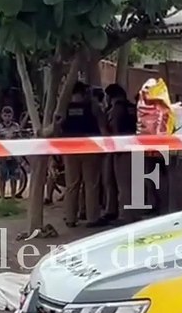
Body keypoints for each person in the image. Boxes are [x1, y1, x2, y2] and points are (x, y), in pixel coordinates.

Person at [59, 82, 104, 228]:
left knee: (72, 184)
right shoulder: (92, 106)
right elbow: (102, 124)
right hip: (90, 148)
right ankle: (92, 218)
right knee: (91, 184)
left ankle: (70, 218)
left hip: (70, 149)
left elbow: (59, 128)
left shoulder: (64, 108)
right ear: (84, 92)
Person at [103, 84, 137, 223]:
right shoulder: (132, 107)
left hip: (122, 150)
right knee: (133, 183)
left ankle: (125, 216)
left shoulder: (116, 110)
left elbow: (114, 130)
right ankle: (133, 213)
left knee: (123, 184)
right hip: (135, 146)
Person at [0, 106, 22, 198]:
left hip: (13, 154)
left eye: (9, 116)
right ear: (2, 116)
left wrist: (19, 156)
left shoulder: (16, 126)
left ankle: (13, 196)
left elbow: (19, 140)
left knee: (14, 177)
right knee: (2, 177)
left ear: (12, 116)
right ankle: (2, 197)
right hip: (3, 155)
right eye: (5, 115)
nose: (7, 118)